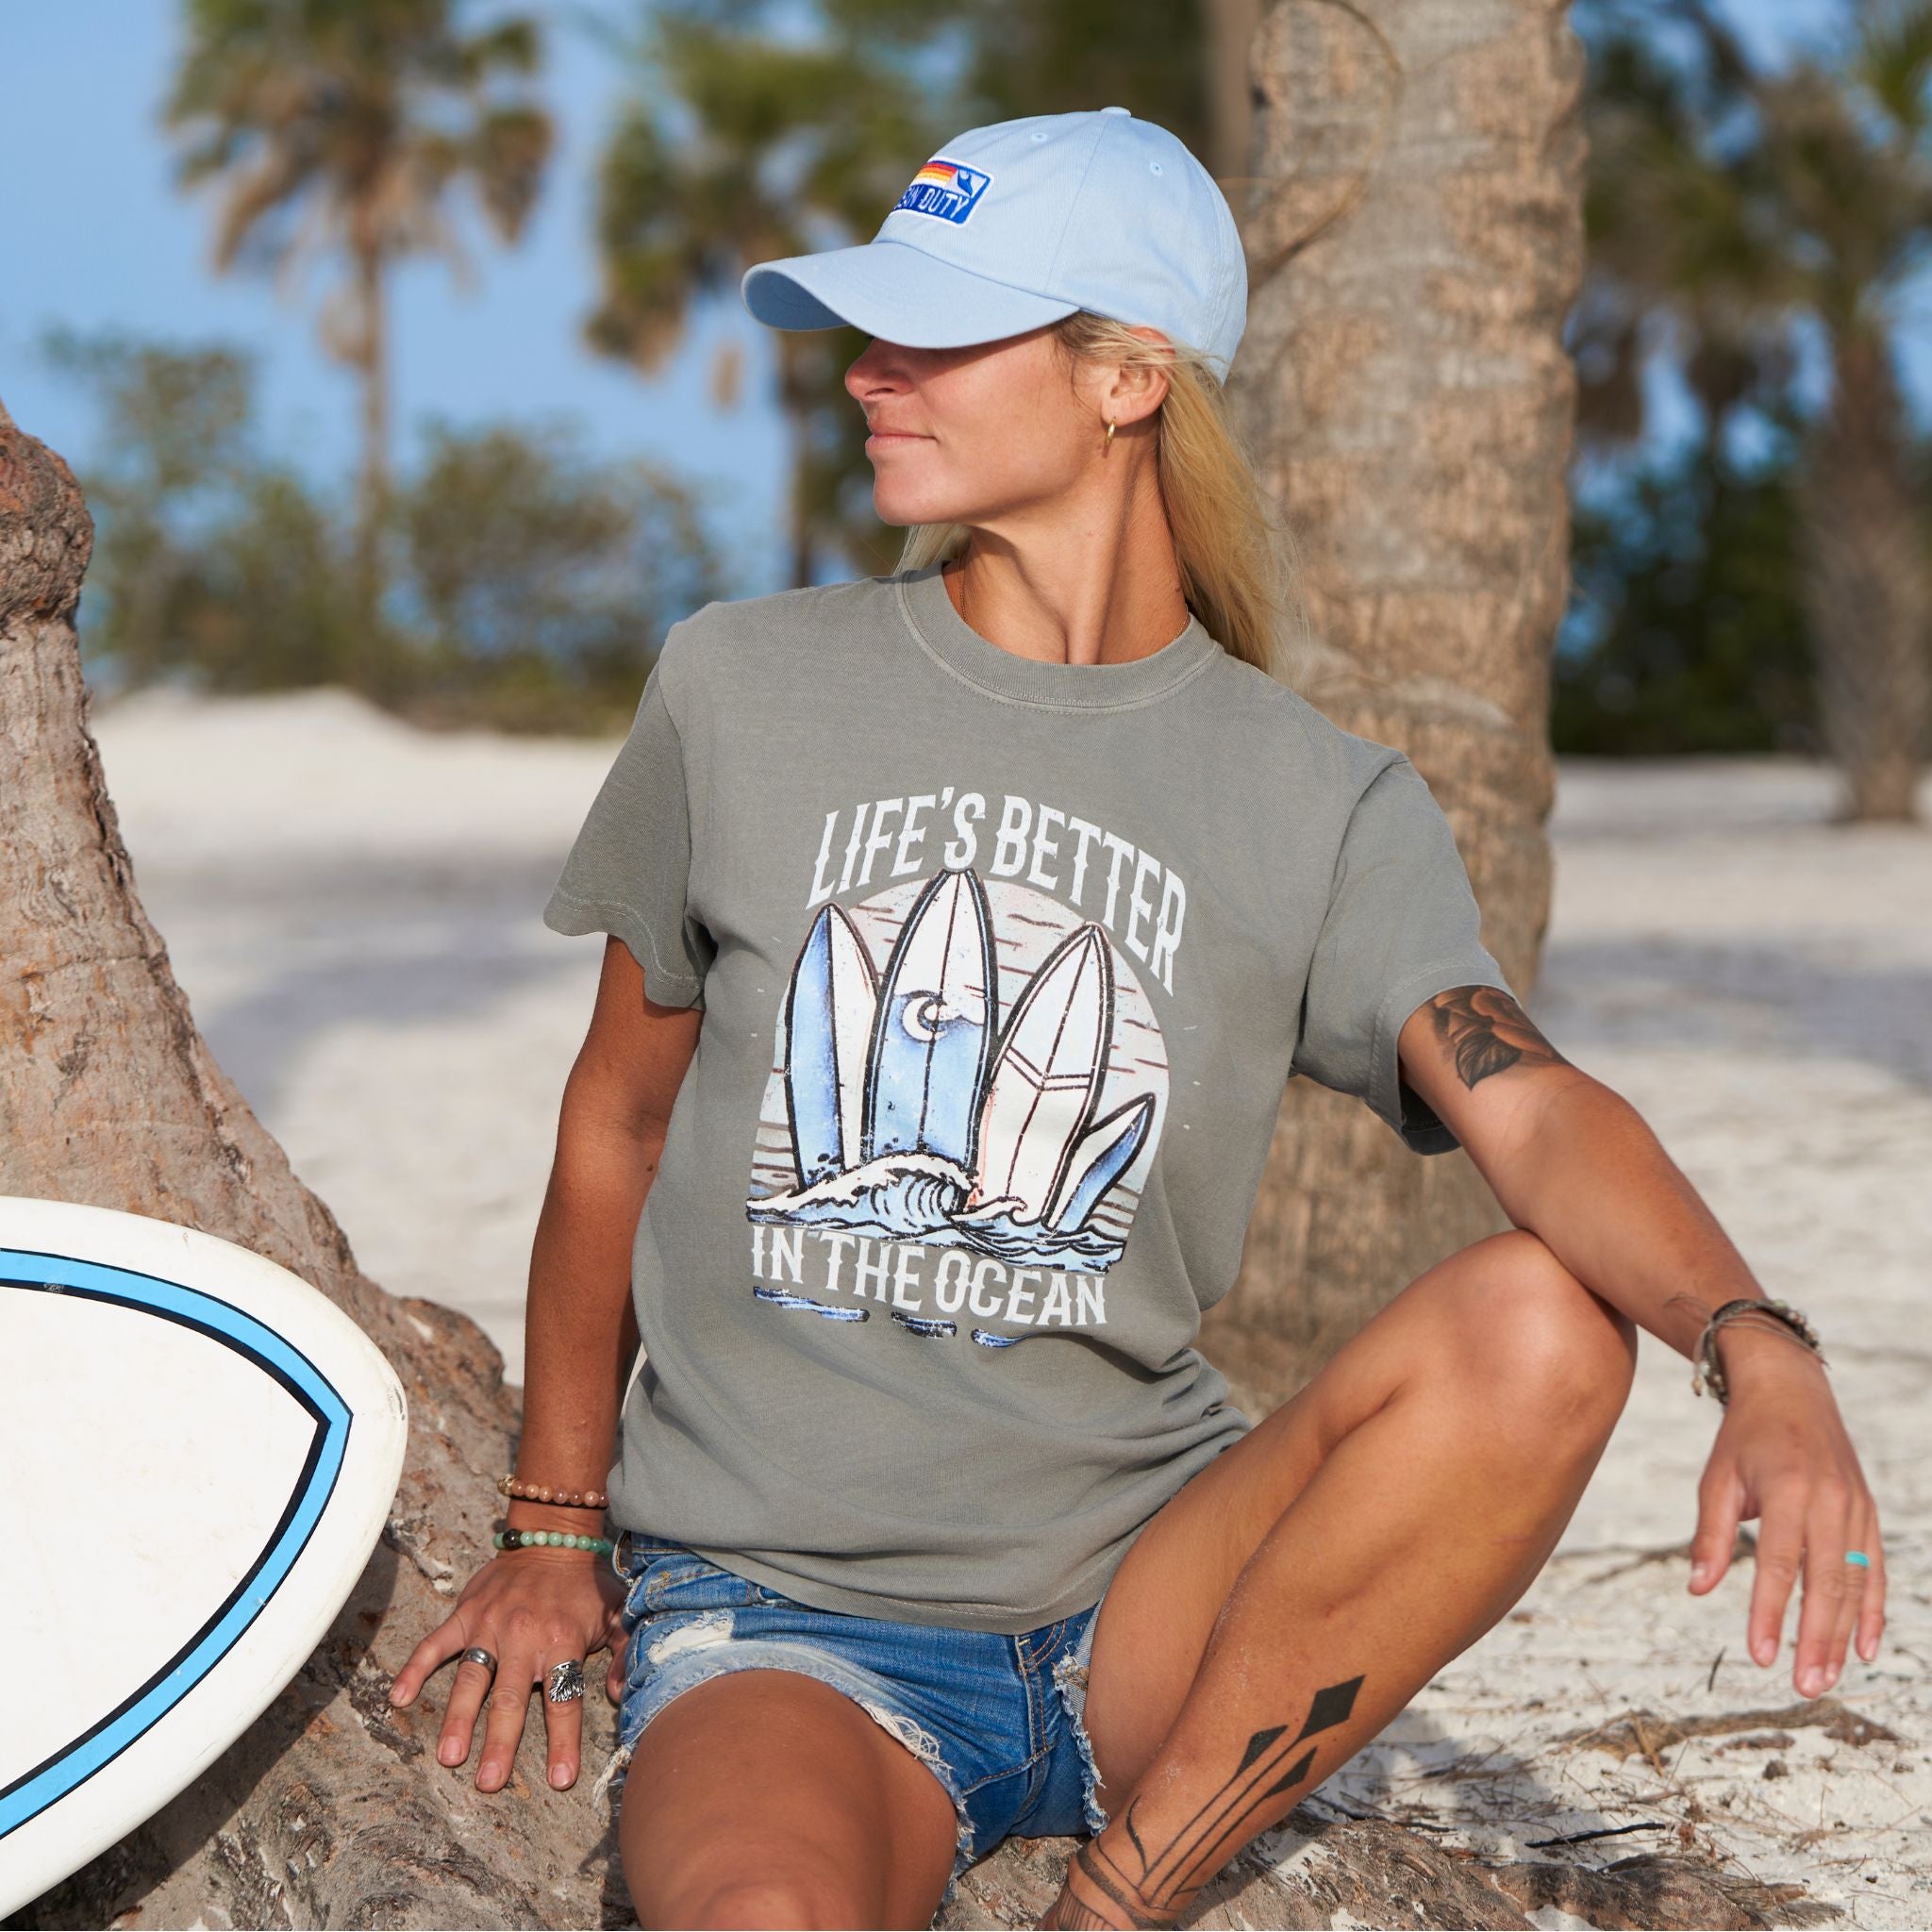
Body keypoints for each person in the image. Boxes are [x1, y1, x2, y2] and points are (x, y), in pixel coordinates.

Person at [385, 107, 1887, 1931]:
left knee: (1546, 1326)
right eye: (873, 330)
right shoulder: (742, 689)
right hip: (787, 1620)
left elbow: (1532, 1105)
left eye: (937, 331)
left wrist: (1755, 1340)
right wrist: (553, 1528)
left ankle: (1122, 1902)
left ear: (1125, 379)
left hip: (1158, 1610)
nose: (868, 373)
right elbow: (615, 1121)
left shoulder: (1312, 794)